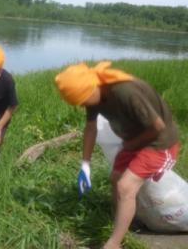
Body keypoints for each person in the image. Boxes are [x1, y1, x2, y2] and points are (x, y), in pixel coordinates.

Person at [54, 61, 180, 249]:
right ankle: (121, 222)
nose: (83, 105)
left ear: (92, 88)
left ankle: (114, 243)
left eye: (83, 100)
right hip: (134, 141)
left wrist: (131, 145)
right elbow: (90, 129)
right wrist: (85, 165)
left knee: (125, 186)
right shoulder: (93, 94)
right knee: (115, 178)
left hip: (160, 143)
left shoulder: (125, 92)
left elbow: (158, 127)